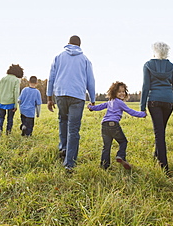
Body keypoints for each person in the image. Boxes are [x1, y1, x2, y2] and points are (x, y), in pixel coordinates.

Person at [47, 35, 95, 171]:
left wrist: (49, 98)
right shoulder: (85, 60)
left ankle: (63, 148)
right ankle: (69, 163)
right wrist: (92, 99)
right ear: (80, 45)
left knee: (63, 120)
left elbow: (51, 78)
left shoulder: (58, 57)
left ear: (68, 43)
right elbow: (90, 81)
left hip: (61, 94)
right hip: (77, 96)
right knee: (73, 129)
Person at [140, 42, 173, 173]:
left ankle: (164, 166)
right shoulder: (171, 66)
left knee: (159, 133)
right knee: (161, 129)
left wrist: (142, 107)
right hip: (169, 101)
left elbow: (146, 87)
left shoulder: (148, 65)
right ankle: (156, 154)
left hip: (154, 101)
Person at [88, 81, 146, 170]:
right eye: (119, 92)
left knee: (106, 147)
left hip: (104, 125)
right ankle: (120, 156)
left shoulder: (110, 102)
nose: (122, 93)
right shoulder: (119, 102)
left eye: (123, 91)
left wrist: (91, 107)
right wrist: (142, 114)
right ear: (114, 93)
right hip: (113, 125)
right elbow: (131, 111)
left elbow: (99, 107)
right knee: (123, 142)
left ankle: (104, 166)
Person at [0, 64, 24, 137]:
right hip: (11, 102)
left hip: (2, 102)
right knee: (10, 119)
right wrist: (15, 104)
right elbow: (16, 93)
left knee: (1, 117)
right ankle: (8, 132)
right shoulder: (16, 80)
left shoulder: (3, 78)